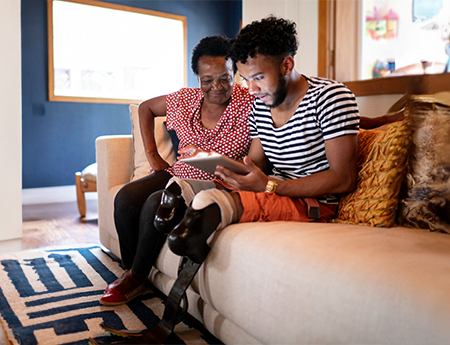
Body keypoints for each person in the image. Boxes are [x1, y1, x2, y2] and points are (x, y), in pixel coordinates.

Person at [97, 16, 361, 345]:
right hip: (269, 188)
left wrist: (268, 185)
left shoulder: (330, 98)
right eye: (246, 79)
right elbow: (256, 164)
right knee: (180, 194)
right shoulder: (263, 106)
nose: (249, 90)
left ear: (287, 64)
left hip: (313, 203)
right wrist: (231, 170)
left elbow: (342, 177)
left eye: (257, 78)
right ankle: (181, 220)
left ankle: (186, 243)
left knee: (210, 205)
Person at [100, 35, 255, 306]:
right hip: (179, 172)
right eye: (207, 80)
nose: (216, 87)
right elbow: (146, 108)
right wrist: (152, 155)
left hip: (216, 182)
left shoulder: (250, 103)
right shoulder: (185, 99)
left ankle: (135, 277)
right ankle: (134, 269)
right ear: (197, 77)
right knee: (125, 199)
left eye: (225, 78)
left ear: (235, 74)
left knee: (154, 204)